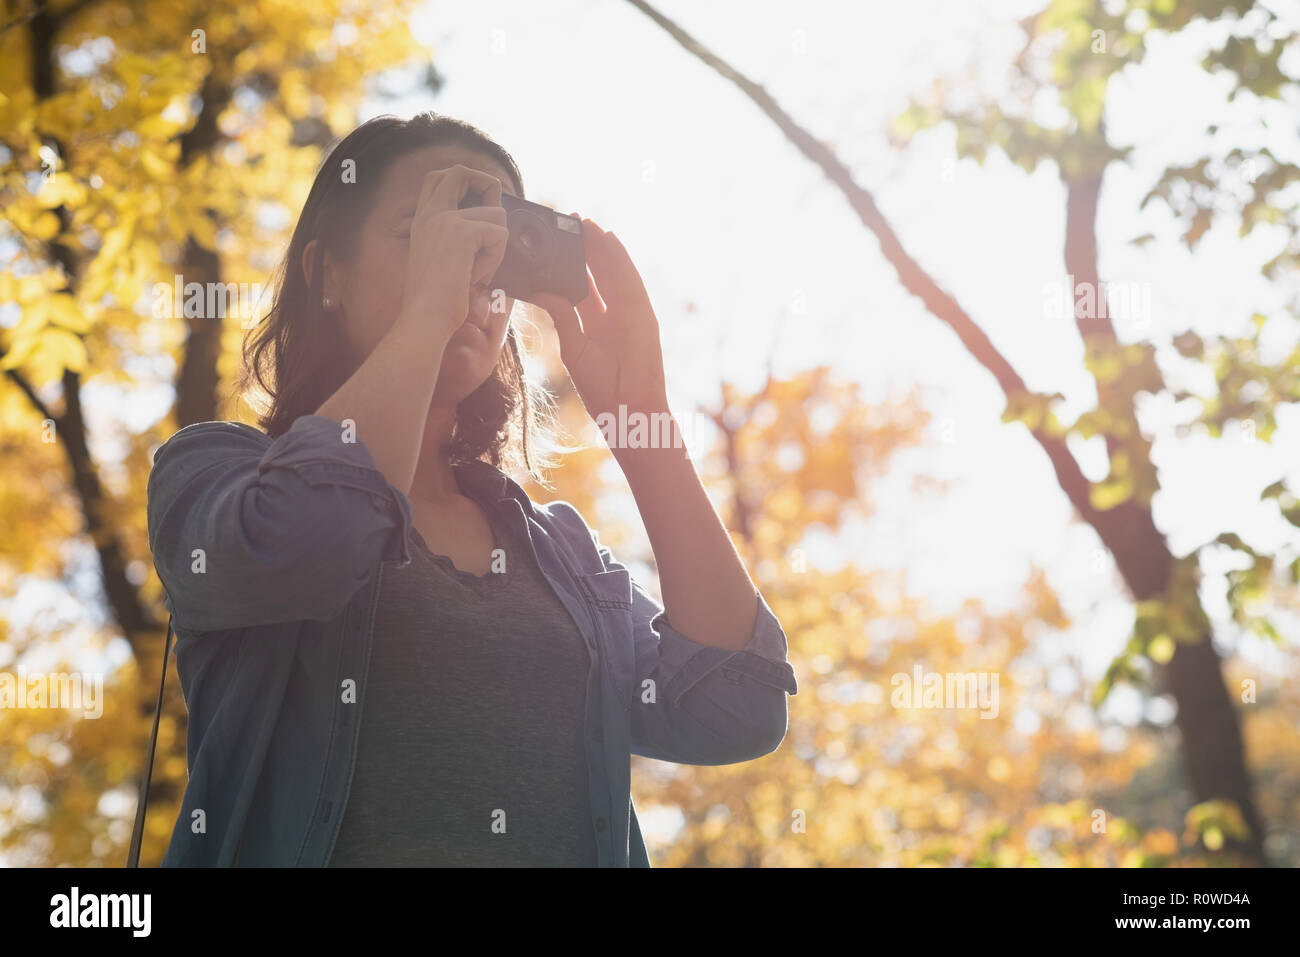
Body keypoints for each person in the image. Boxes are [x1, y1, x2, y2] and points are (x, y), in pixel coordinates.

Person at [145, 111, 798, 866]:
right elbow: (314, 532)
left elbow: (738, 710)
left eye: (492, 249)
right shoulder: (215, 472)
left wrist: (643, 428)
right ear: (329, 273)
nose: (473, 271)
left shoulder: (563, 556)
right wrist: (429, 310)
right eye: (427, 232)